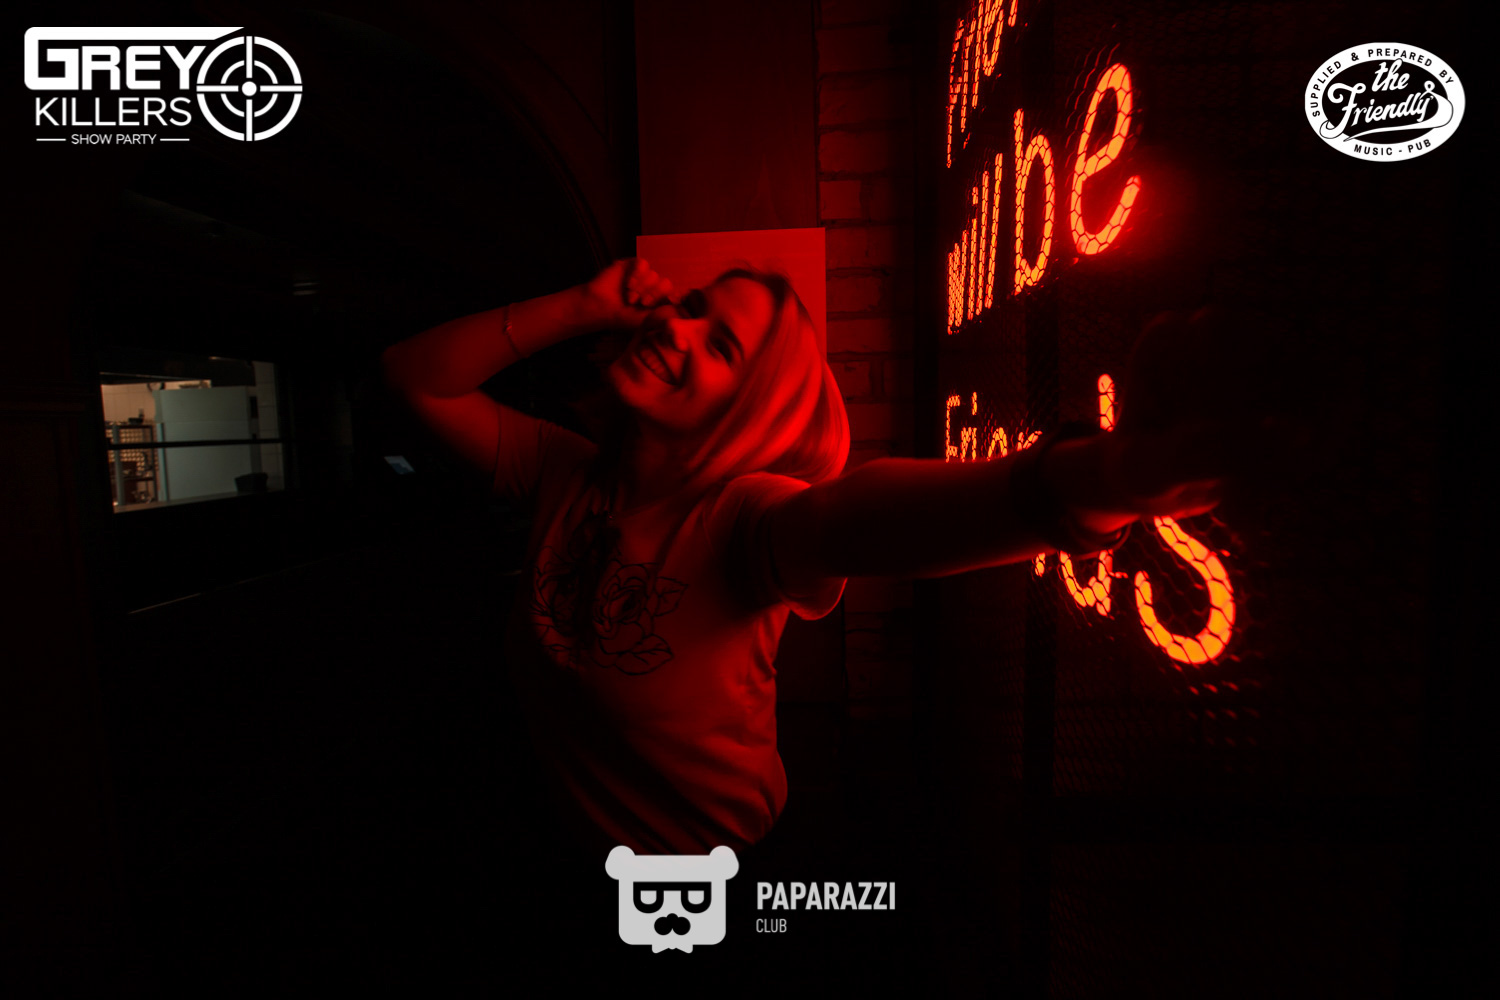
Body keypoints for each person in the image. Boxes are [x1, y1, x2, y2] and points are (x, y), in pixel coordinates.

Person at [380, 258, 1227, 865]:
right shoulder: (564, 471)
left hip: (725, 888)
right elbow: (414, 377)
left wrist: (1102, 482)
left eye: (720, 348)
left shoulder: (741, 520)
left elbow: (855, 520)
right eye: (690, 309)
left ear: (748, 409)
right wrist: (580, 305)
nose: (676, 329)